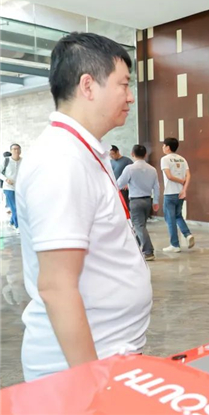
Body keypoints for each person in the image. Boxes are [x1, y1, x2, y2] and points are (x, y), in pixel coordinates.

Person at [15, 32, 152, 381]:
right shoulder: (61, 160)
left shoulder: (83, 151)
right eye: (123, 84)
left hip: (110, 354)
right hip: (80, 369)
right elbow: (57, 286)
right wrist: (89, 382)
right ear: (88, 86)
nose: (130, 96)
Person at [117, 144, 160, 261]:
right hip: (147, 200)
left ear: (132, 154)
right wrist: (156, 201)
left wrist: (127, 184)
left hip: (135, 201)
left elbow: (119, 183)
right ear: (145, 155)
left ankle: (148, 251)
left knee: (139, 226)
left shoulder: (130, 168)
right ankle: (135, 248)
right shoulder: (152, 169)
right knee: (141, 226)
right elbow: (156, 187)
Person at [160, 137, 195, 253]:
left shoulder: (165, 159)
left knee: (170, 219)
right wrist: (184, 189)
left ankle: (174, 244)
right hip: (180, 193)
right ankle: (187, 234)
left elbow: (169, 176)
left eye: (164, 145)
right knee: (178, 215)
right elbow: (188, 175)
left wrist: (181, 181)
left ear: (168, 147)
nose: (163, 147)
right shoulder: (182, 159)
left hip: (170, 193)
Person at [1, 144, 22, 231]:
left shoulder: (23, 161)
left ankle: (12, 222)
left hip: (20, 188)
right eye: (14, 149)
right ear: (11, 151)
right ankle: (18, 226)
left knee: (19, 207)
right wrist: (6, 179)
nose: (16, 151)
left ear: (20, 151)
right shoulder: (6, 161)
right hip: (8, 188)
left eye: (18, 149)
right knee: (15, 207)